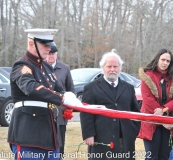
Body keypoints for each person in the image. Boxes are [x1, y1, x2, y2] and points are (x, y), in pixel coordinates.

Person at [7, 28, 83, 160]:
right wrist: (62, 98)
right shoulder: (22, 65)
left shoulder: (47, 67)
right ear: (31, 43)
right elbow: (31, 87)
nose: (49, 48)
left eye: (50, 45)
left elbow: (60, 89)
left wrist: (70, 97)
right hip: (28, 134)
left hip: (50, 134)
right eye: (45, 44)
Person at [80, 49, 140, 160]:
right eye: (109, 67)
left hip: (125, 141)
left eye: (115, 67)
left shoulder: (128, 88)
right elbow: (86, 113)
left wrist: (133, 131)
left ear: (120, 68)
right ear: (103, 68)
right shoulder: (91, 88)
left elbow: (135, 112)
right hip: (101, 139)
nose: (112, 69)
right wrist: (88, 134)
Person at [137, 49, 173, 160]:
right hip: (151, 120)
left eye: (168, 61)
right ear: (157, 59)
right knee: (152, 156)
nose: (165, 63)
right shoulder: (147, 76)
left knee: (164, 155)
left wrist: (164, 110)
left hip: (169, 122)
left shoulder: (171, 77)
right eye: (163, 59)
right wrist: (162, 118)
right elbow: (148, 100)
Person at [46, 44, 75, 159]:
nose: (50, 56)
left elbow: (71, 90)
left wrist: (69, 108)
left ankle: (60, 156)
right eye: (49, 54)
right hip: (45, 110)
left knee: (60, 138)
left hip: (60, 111)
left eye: (53, 54)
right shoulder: (40, 68)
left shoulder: (64, 68)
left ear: (56, 54)